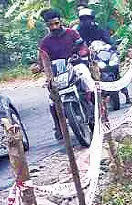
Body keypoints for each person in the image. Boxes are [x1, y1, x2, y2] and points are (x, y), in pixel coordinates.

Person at [38, 8, 94, 140]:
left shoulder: (72, 33)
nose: (54, 27)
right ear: (47, 25)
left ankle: (96, 109)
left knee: (87, 79)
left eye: (56, 23)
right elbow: (42, 58)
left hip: (75, 65)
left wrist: (81, 53)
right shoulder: (45, 42)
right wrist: (39, 66)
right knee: (52, 100)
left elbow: (83, 46)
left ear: (60, 21)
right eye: (51, 25)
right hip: (58, 72)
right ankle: (59, 126)